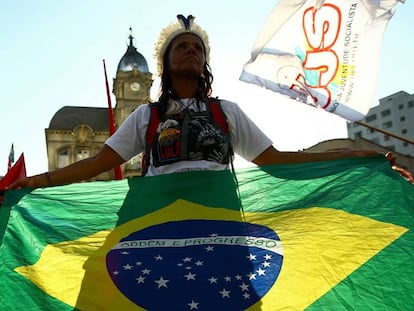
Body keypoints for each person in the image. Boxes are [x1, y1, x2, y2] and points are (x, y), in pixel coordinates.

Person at [10, 14, 377, 190]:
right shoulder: (145, 115)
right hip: (157, 224)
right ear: (165, 64)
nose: (191, 51)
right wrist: (35, 181)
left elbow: (276, 161)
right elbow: (98, 164)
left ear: (205, 62)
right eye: (182, 47)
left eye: (198, 48)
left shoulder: (226, 111)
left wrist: (352, 157)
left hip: (222, 221)